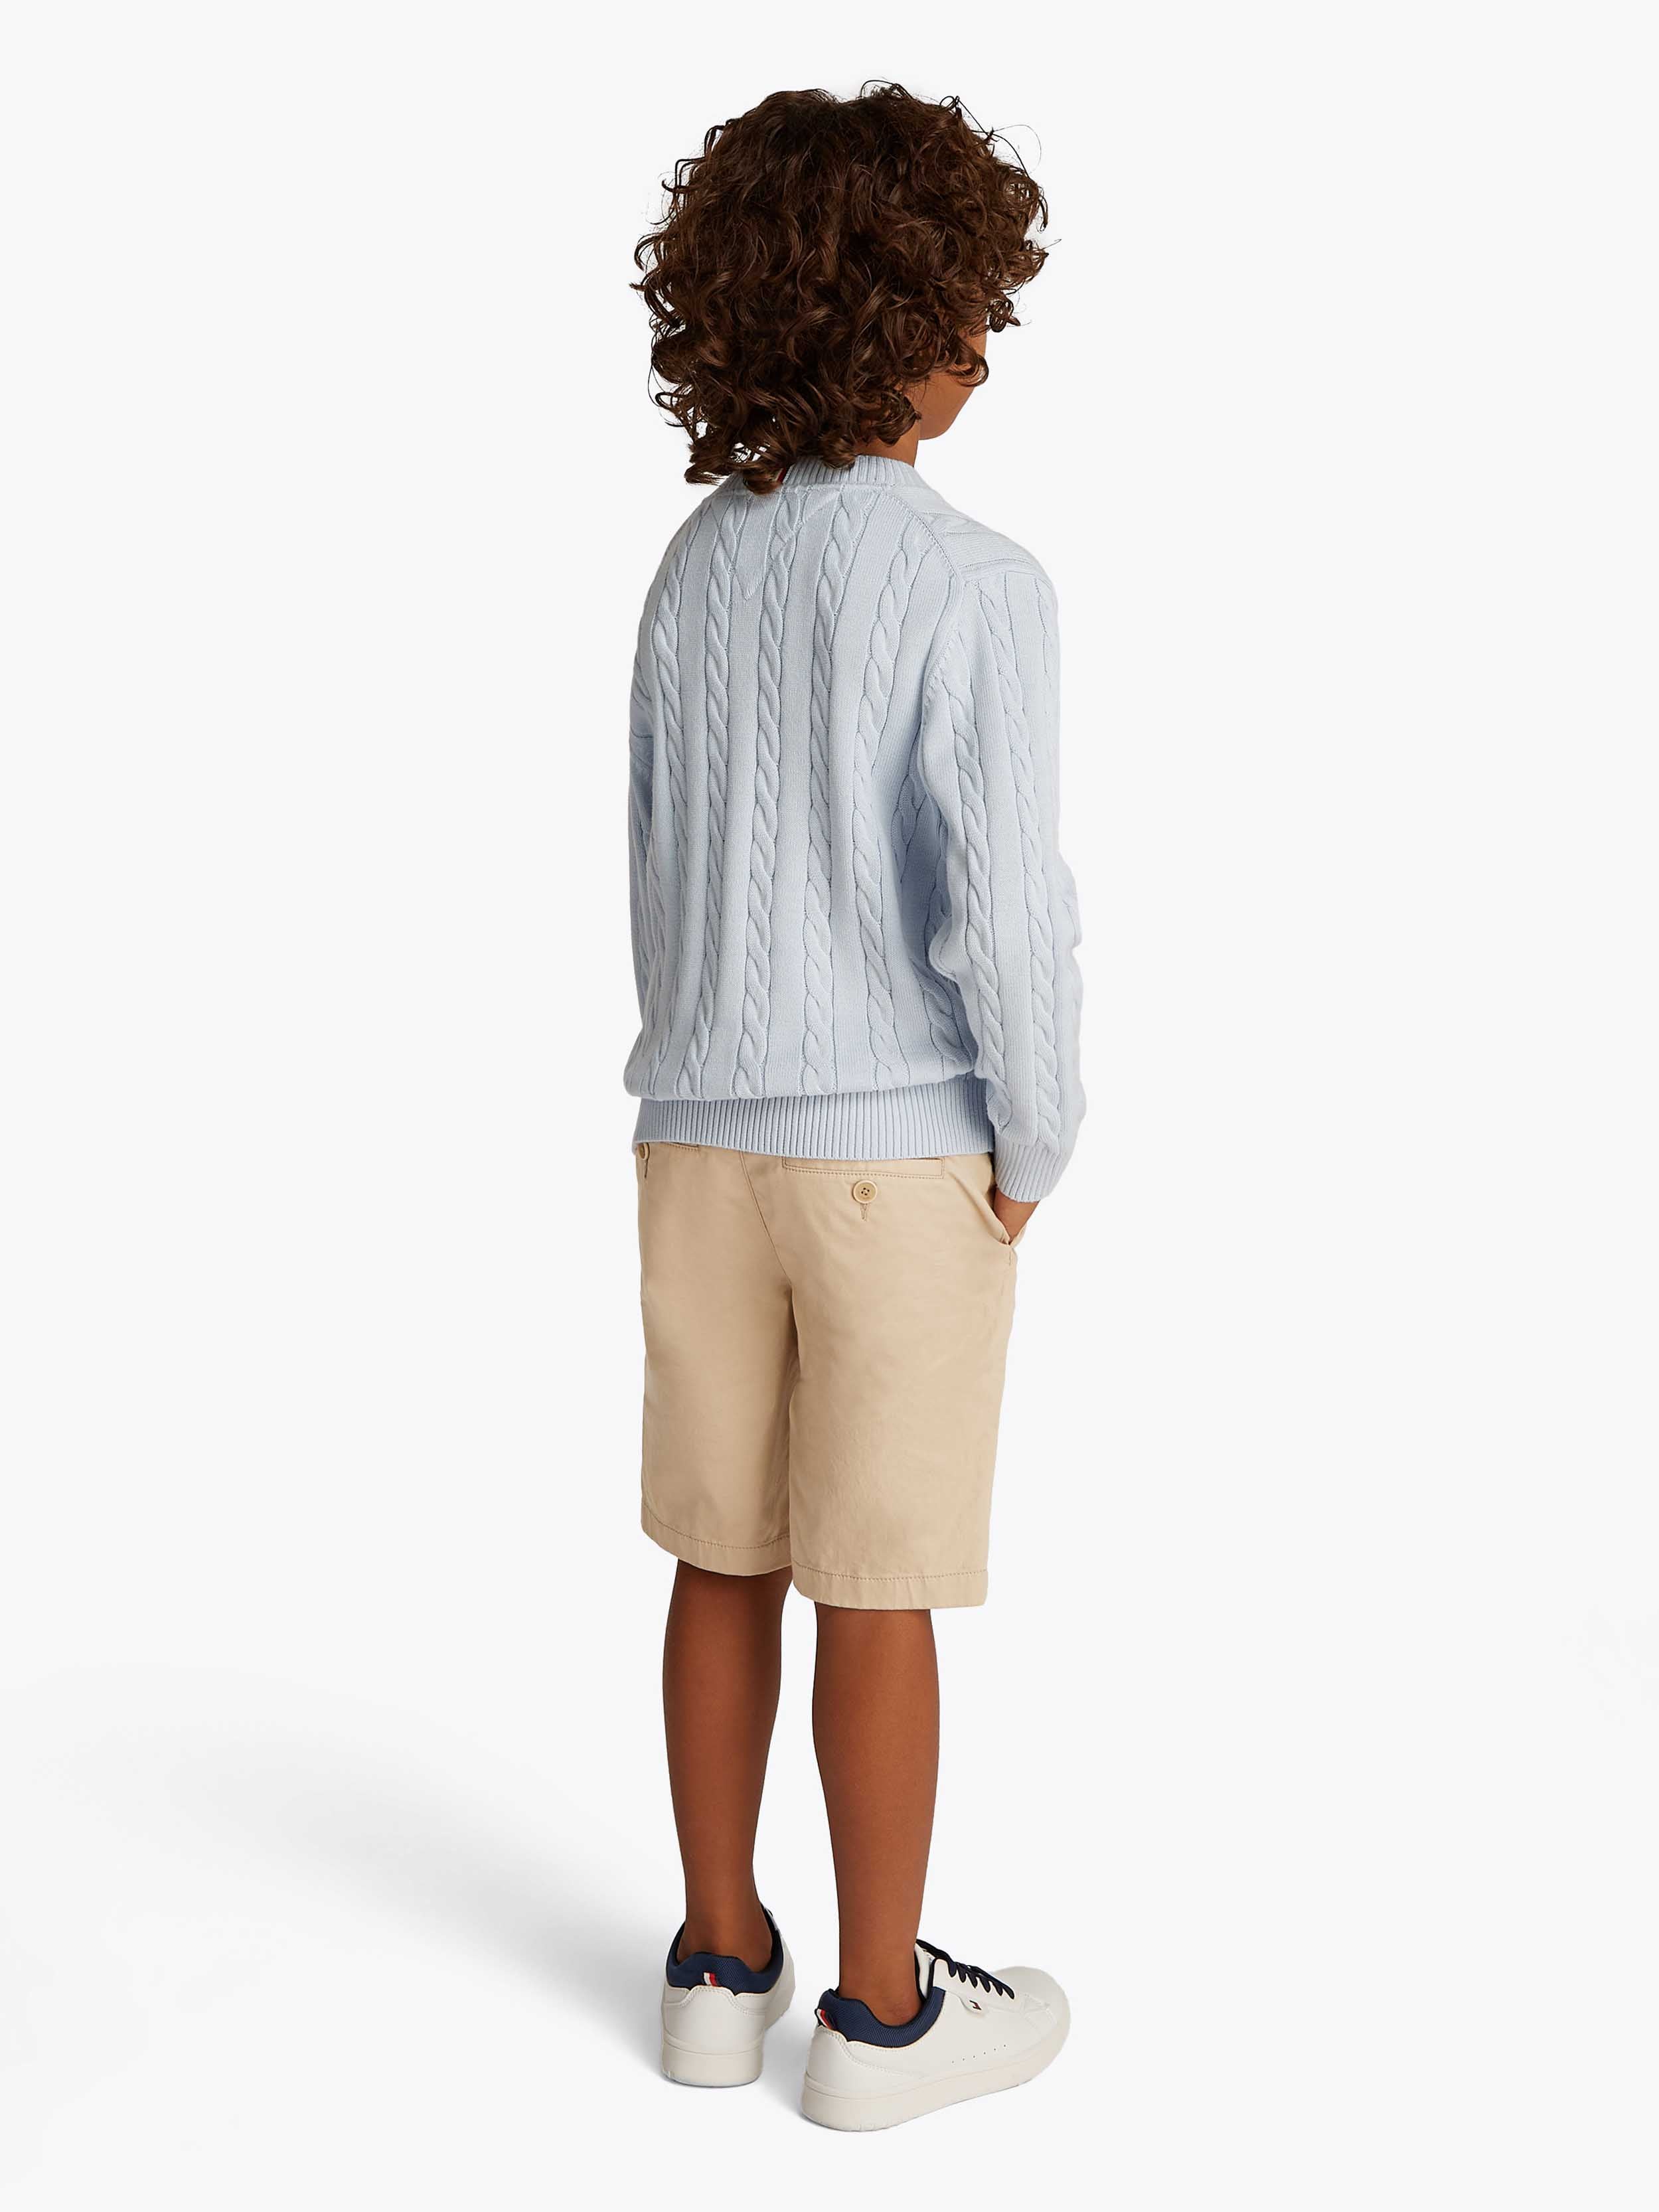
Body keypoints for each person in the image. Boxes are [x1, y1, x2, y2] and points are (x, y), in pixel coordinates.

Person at [625, 83, 1084, 2131]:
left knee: (719, 1552)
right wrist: (1033, 1136)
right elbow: (1004, 907)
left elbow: (659, 862)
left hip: (694, 1136)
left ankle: (717, 1962)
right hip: (895, 1154)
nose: (987, 341)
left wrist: (702, 1060)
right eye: (965, 303)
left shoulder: (691, 569)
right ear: (901, 321)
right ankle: (881, 2017)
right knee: (873, 1578)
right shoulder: (973, 580)